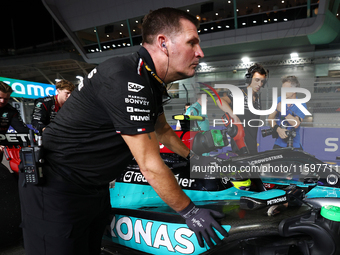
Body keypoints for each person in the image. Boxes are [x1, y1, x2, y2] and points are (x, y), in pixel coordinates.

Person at [18, 7, 228, 255]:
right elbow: (149, 164)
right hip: (56, 188)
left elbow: (161, 129)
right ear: (163, 43)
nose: (200, 52)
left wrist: (195, 159)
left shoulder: (150, 79)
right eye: (192, 42)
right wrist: (190, 211)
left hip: (93, 189)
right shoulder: (126, 77)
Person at [217, 63, 268, 154]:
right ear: (249, 79)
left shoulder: (258, 99)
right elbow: (220, 101)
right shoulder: (239, 94)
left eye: (262, 81)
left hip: (252, 145)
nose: (260, 84)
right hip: (240, 145)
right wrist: (234, 116)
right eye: (257, 80)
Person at [268, 75, 306, 149]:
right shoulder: (279, 100)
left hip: (294, 144)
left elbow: (296, 123)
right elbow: (270, 118)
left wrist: (283, 111)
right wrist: (278, 130)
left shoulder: (301, 104)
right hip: (279, 143)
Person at [0, 81, 30, 152]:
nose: (2, 101)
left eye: (6, 99)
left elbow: (22, 129)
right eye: (0, 97)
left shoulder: (11, 111)